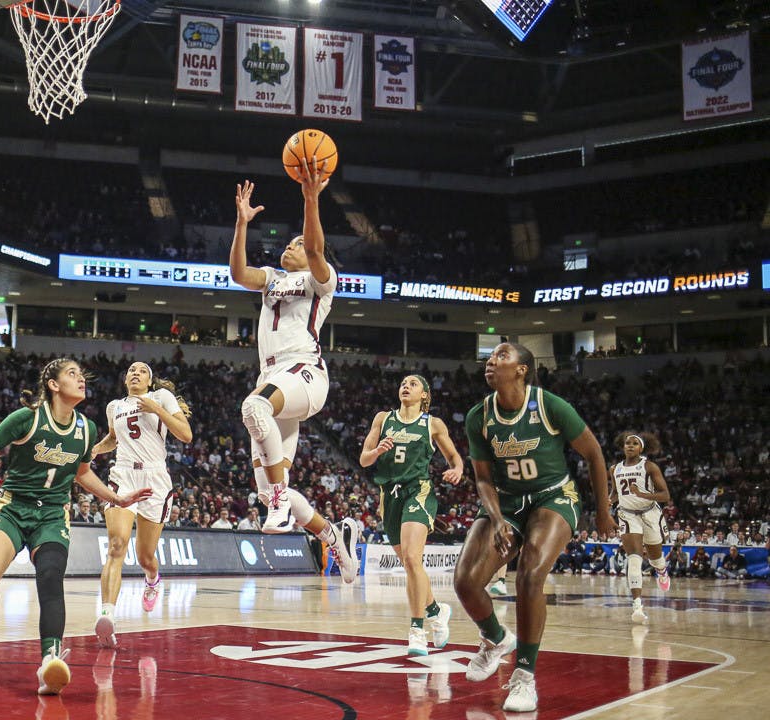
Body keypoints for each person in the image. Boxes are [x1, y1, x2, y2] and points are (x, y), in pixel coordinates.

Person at [0, 358, 151, 696]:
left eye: (82, 375)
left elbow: (82, 473)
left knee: (51, 578)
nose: (81, 379)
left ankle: (50, 661)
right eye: (72, 374)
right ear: (54, 385)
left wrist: (118, 498)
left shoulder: (86, 428)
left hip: (53, 515)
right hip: (14, 507)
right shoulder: (26, 418)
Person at [453, 342, 616, 714]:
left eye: (502, 356)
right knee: (465, 581)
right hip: (506, 501)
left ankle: (525, 676)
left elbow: (593, 454)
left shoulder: (550, 405)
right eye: (490, 357)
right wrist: (496, 520)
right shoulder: (479, 416)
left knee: (529, 575)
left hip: (553, 496)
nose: (492, 361)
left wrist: (603, 512)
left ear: (522, 369)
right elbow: (482, 479)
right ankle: (496, 639)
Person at [228, 172, 358, 580]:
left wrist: (310, 199)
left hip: (304, 371)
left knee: (254, 405)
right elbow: (238, 274)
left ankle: (282, 500)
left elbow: (316, 247)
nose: (291, 246)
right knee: (265, 489)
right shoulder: (273, 279)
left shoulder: (322, 280)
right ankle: (333, 536)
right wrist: (242, 223)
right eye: (288, 243)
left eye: (296, 243)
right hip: (273, 377)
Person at [89, 361, 193, 648]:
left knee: (145, 555)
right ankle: (107, 616)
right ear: (125, 380)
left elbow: (186, 435)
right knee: (116, 545)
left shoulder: (162, 398)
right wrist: (95, 449)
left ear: (150, 380)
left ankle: (152, 578)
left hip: (155, 477)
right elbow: (113, 439)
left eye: (142, 371)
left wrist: (156, 409)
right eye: (131, 370)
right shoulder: (114, 406)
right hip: (123, 474)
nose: (135, 373)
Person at [359, 374, 463, 656]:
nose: (406, 386)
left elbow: (455, 457)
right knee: (408, 563)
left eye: (413, 384)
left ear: (425, 396)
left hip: (418, 492)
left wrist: (457, 470)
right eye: (403, 383)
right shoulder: (383, 419)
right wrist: (377, 450)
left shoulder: (433, 424)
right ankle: (436, 610)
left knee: (413, 558)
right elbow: (364, 459)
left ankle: (417, 630)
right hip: (389, 496)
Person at [611, 431, 671, 624]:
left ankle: (661, 570)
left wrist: (642, 494)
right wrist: (607, 501)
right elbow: (615, 493)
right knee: (634, 559)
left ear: (641, 448)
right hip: (627, 514)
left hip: (650, 513)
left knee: (655, 558)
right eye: (627, 443)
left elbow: (665, 495)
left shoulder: (649, 466)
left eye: (634, 443)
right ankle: (637, 606)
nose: (630, 446)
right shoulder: (615, 469)